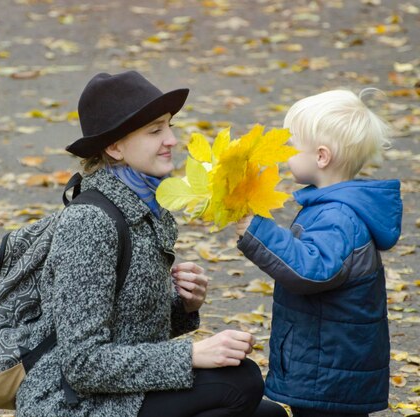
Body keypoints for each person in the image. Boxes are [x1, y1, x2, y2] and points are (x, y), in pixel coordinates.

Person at [15, 70, 288, 417]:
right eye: (155, 131)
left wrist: (183, 306)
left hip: (116, 392)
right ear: (114, 147)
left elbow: (129, 330)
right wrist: (193, 354)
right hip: (71, 404)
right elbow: (83, 364)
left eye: (170, 126)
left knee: (270, 414)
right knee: (241, 382)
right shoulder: (89, 223)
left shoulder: (147, 206)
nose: (172, 139)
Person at [235, 89, 403, 417]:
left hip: (329, 369)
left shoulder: (338, 217)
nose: (284, 154)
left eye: (290, 145)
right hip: (328, 362)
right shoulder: (330, 207)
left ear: (321, 156)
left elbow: (311, 269)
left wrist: (258, 233)